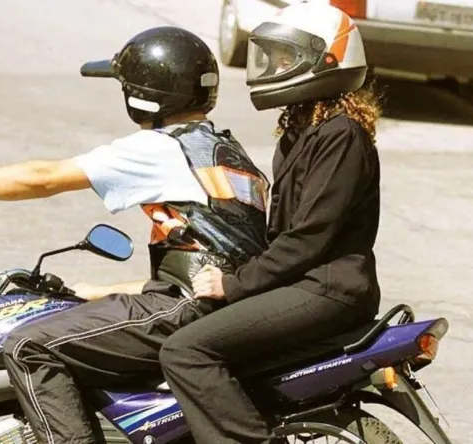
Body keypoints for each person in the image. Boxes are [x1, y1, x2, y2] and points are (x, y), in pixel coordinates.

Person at [0, 26, 270, 444]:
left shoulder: (161, 148)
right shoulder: (225, 150)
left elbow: (43, 177)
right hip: (218, 304)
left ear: (141, 96)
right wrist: (104, 292)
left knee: (29, 347)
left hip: (188, 310)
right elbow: (210, 257)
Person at [157, 4, 383, 443]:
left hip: (328, 290)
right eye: (274, 57)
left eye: (285, 58)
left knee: (186, 352)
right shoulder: (302, 131)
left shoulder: (341, 135)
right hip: (304, 282)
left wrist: (234, 285)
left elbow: (308, 237)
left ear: (326, 60)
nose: (274, 67)